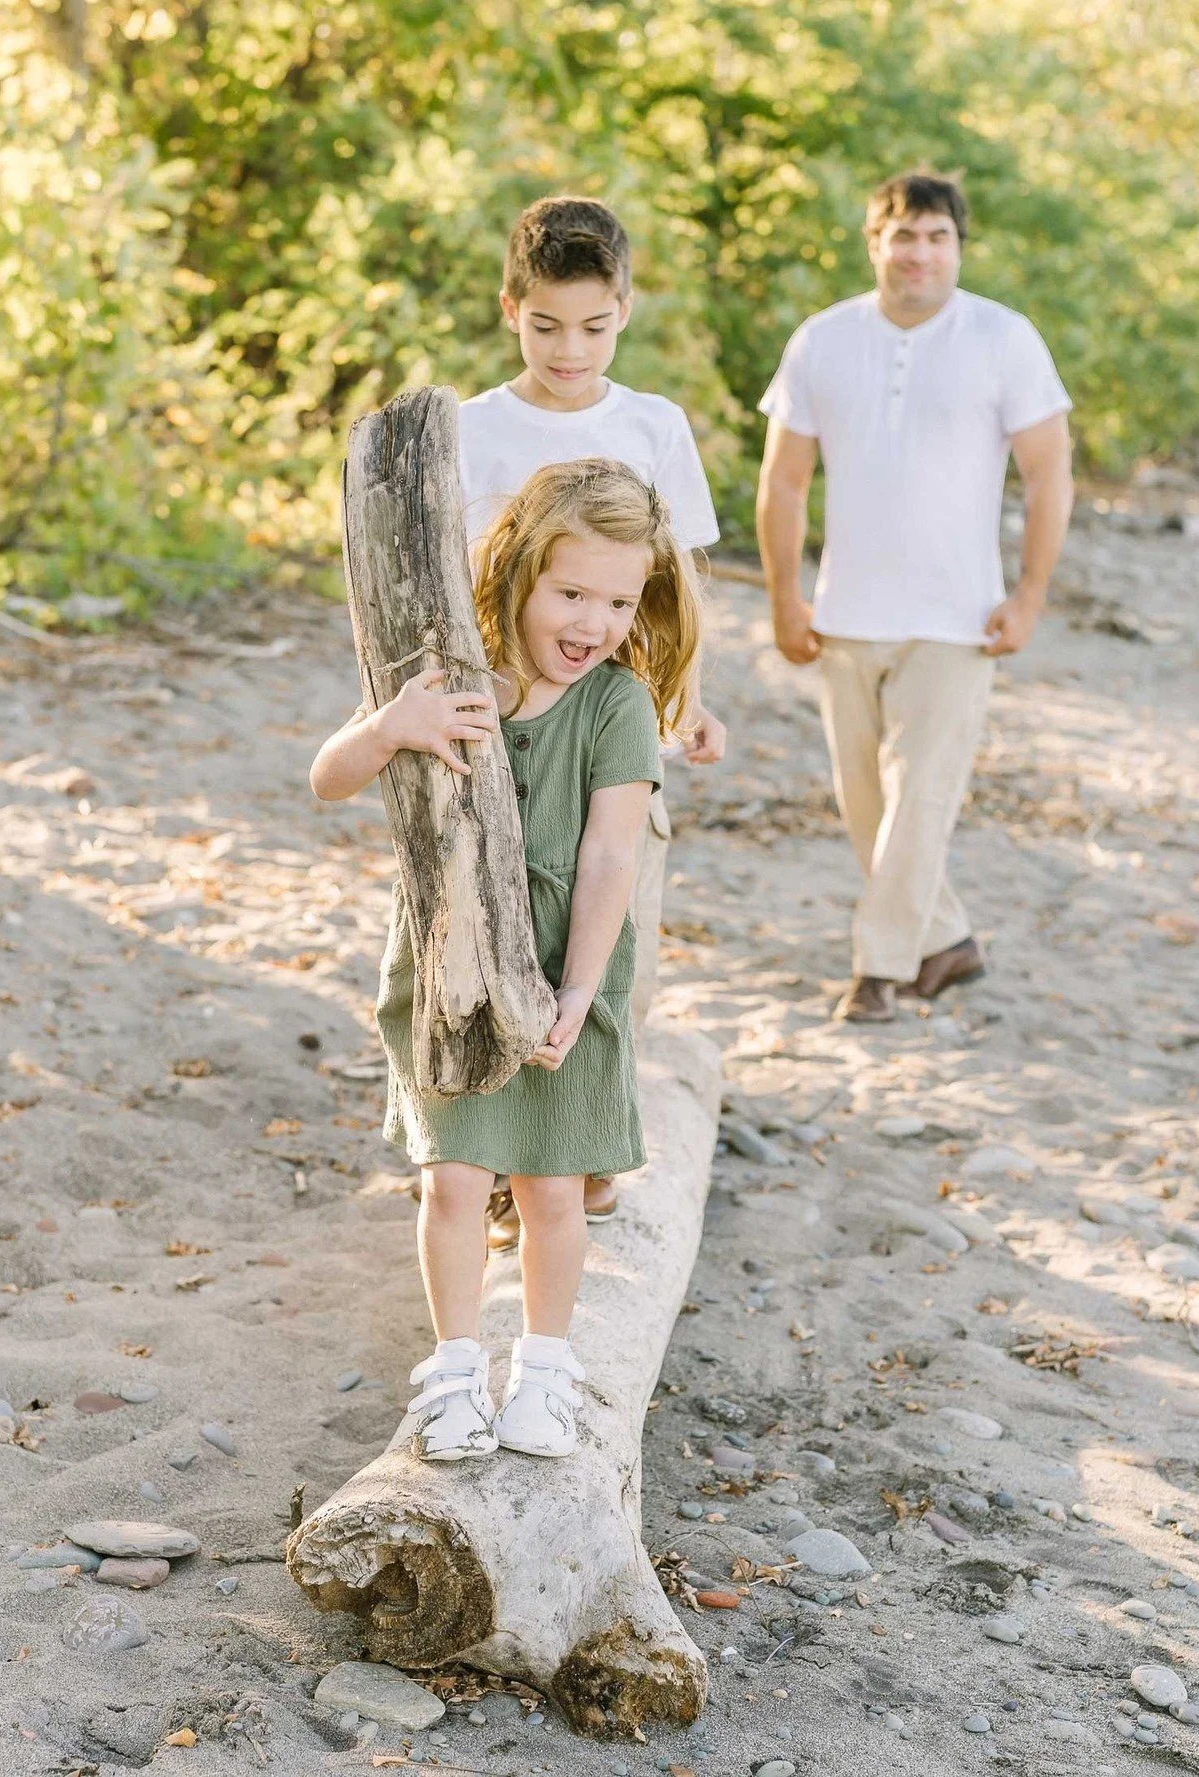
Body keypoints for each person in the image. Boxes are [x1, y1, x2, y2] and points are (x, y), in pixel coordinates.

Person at [309, 459, 700, 1460]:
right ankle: (451, 1375)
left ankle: (543, 1370)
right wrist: (392, 724)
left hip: (564, 968)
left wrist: (577, 986)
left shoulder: (616, 704)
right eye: (571, 592)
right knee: (451, 1181)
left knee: (552, 1190)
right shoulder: (452, 677)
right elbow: (325, 779)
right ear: (521, 570)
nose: (594, 621)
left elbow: (611, 850)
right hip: (455, 966)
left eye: (618, 600)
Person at [459, 193, 725, 1243]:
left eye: (593, 325)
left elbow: (684, 575)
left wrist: (689, 698)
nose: (569, 349)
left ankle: (588, 1141)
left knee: (613, 925)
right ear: (510, 310)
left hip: (614, 720)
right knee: (493, 916)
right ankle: (491, 1148)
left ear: (624, 310)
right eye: (545, 325)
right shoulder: (472, 427)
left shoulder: (651, 423)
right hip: (501, 722)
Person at [755, 170, 1074, 1022]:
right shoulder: (822, 340)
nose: (919, 254)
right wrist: (786, 597)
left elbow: (1049, 476)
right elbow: (783, 483)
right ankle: (947, 941)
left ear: (958, 247)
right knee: (868, 806)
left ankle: (880, 971)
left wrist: (1029, 595)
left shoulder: (1004, 339)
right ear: (874, 243)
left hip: (957, 616)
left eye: (938, 238)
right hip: (845, 613)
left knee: (920, 798)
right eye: (903, 236)